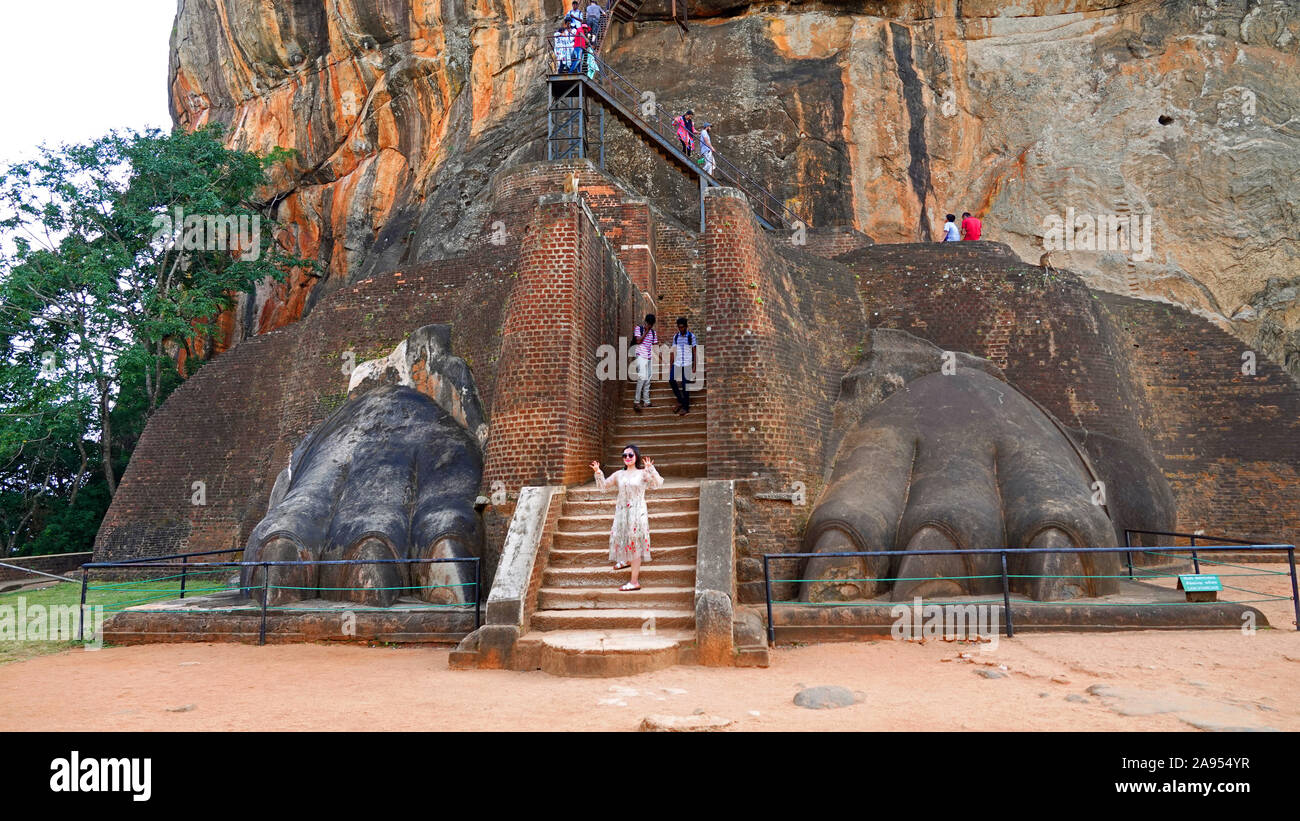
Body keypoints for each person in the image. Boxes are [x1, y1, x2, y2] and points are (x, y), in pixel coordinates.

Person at [590, 446, 663, 591]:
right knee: (624, 538)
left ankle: (634, 581)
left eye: (630, 455)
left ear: (636, 456)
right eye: (625, 455)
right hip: (622, 513)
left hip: (637, 513)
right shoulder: (619, 474)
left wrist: (651, 470)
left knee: (635, 543)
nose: (627, 457)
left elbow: (657, 484)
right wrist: (598, 473)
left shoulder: (643, 473)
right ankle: (627, 560)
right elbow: (604, 486)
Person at [670, 317, 697, 415]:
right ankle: (681, 400)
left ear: (686, 326)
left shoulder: (691, 337)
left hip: (687, 363)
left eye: (682, 327)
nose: (680, 329)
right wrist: (671, 365)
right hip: (677, 362)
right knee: (671, 380)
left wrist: (695, 366)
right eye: (679, 327)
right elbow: (673, 351)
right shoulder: (676, 337)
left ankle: (686, 407)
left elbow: (695, 352)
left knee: (685, 385)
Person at [632, 313, 657, 411]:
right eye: (648, 323)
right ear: (645, 321)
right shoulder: (639, 329)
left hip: (649, 358)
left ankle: (646, 401)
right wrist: (646, 332)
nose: (649, 326)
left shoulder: (653, 333)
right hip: (640, 357)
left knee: (647, 379)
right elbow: (638, 341)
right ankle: (636, 402)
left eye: (651, 324)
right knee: (642, 378)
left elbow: (655, 345)